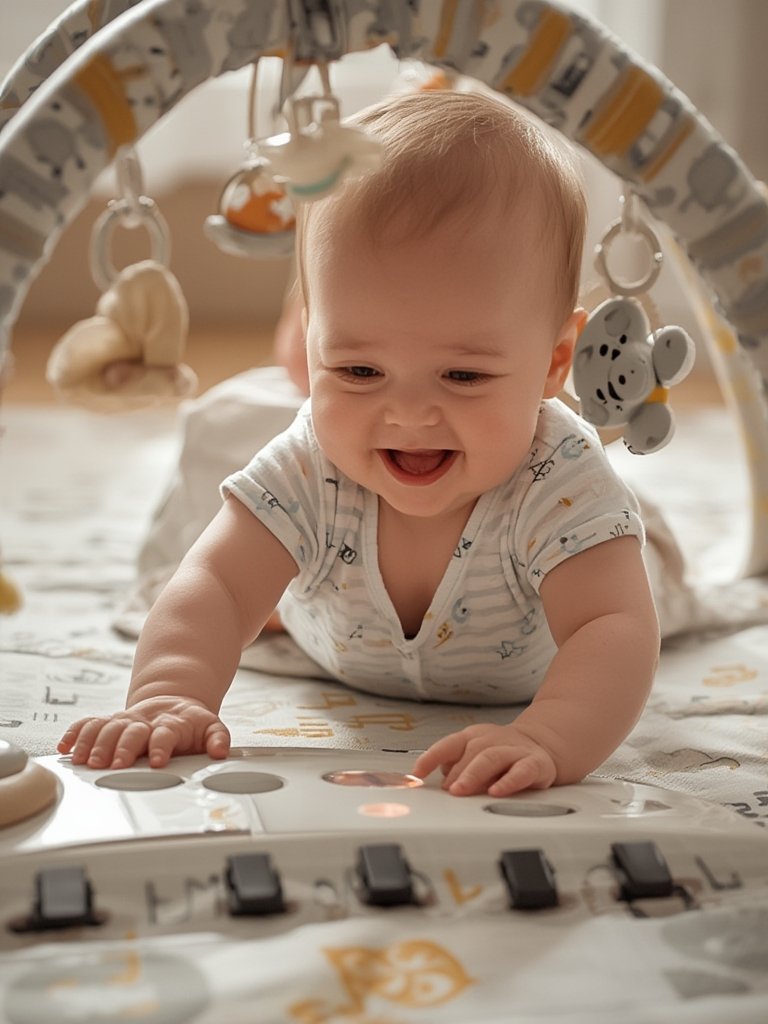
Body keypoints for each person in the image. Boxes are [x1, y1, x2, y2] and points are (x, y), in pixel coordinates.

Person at [58, 90, 660, 797]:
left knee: (641, 574)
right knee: (246, 571)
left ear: (555, 362)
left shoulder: (558, 476)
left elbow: (612, 626)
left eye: (462, 375)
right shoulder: (310, 461)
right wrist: (168, 694)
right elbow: (215, 584)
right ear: (310, 338)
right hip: (334, 646)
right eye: (358, 370)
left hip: (535, 655)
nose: (406, 414)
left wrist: (548, 736)